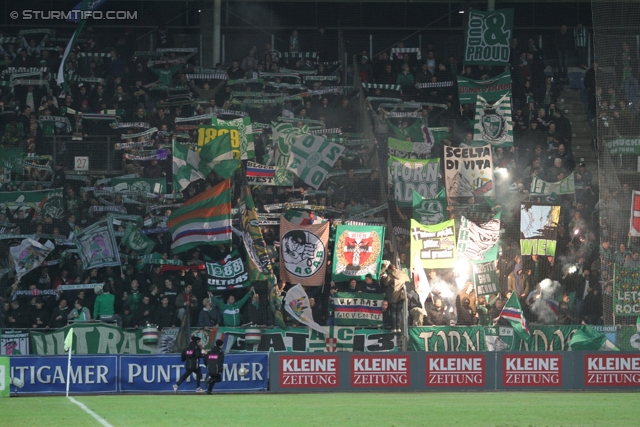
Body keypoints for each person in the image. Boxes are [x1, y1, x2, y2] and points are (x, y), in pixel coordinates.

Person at [380, 261, 409, 333]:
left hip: (393, 295)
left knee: (393, 312)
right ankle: (399, 328)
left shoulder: (391, 275)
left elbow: (386, 283)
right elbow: (407, 279)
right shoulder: (402, 273)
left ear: (390, 269)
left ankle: (394, 328)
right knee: (399, 312)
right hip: (401, 295)